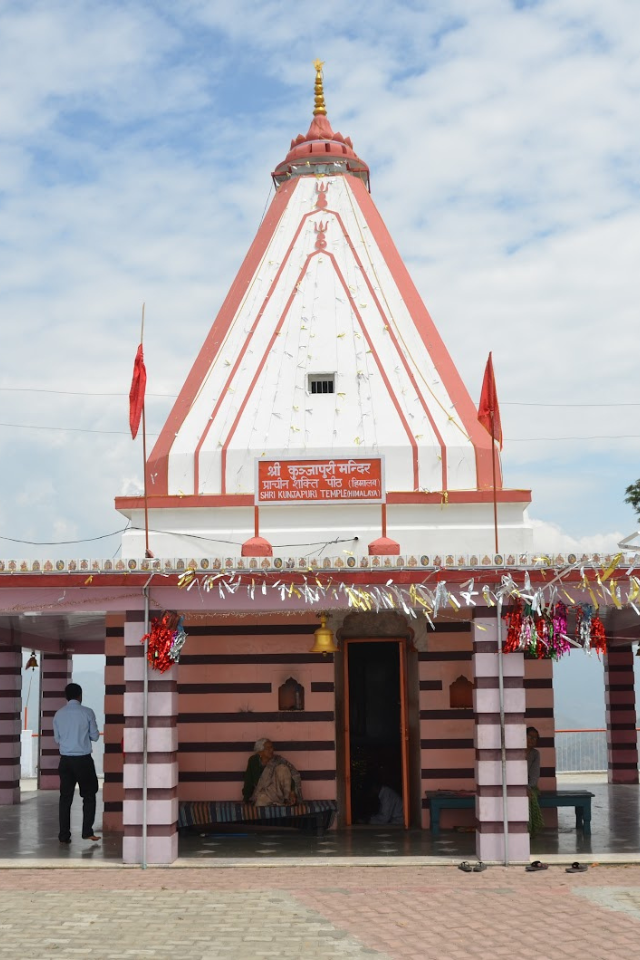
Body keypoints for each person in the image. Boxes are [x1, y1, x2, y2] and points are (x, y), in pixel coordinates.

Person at [53, 682, 101, 844]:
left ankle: (64, 835)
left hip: (65, 760)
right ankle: (87, 831)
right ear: (80, 695)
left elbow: (57, 739)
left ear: (66, 696)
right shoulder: (87, 712)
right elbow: (95, 736)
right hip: (83, 760)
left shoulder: (59, 714)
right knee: (89, 795)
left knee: (65, 798)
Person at [242, 738, 302, 806]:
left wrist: (292, 792)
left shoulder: (278, 760)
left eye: (272, 747)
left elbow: (291, 777)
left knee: (283, 768)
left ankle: (287, 800)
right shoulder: (253, 761)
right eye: (268, 748)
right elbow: (248, 780)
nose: (271, 750)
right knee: (260, 803)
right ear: (260, 751)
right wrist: (246, 799)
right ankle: (278, 804)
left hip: (280, 792)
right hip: (264, 793)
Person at [527, 726, 544, 838]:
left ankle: (529, 829)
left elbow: (534, 775)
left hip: (530, 786)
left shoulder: (535, 754)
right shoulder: (514, 752)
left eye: (535, 738)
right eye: (530, 737)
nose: (533, 740)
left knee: (529, 797)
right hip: (514, 786)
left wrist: (527, 788)